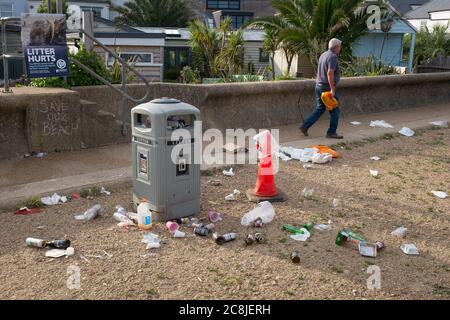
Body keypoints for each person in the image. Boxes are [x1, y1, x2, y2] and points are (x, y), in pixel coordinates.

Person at [300, 38, 344, 139]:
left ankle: (304, 126)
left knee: (320, 108)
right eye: (339, 46)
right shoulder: (333, 57)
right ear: (336, 47)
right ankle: (331, 132)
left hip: (318, 85)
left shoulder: (323, 55)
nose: (340, 48)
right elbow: (330, 73)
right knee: (335, 110)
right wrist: (332, 89)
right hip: (326, 87)